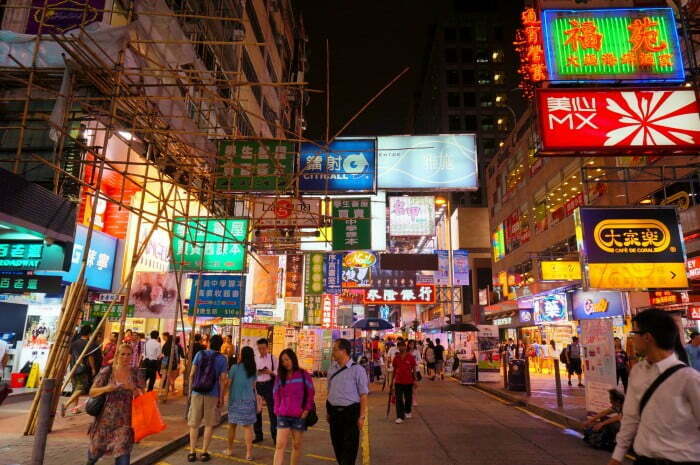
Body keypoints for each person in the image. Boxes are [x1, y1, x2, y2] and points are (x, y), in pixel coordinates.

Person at [607, 308, 700, 465]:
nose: (632, 339)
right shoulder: (637, 371)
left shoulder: (688, 378)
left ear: (647, 337)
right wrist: (617, 456)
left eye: (634, 333)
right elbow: (630, 417)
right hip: (643, 460)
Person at [86, 343, 144, 465]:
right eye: (122, 354)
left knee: (123, 456)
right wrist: (107, 388)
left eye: (129, 354)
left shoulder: (135, 373)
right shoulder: (108, 371)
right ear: (117, 355)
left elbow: (141, 394)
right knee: (94, 455)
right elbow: (92, 392)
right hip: (105, 420)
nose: (126, 357)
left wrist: (132, 388)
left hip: (125, 421)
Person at [326, 338, 369, 465]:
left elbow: (363, 395)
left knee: (349, 449)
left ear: (344, 351)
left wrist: (361, 417)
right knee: (337, 445)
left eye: (335, 349)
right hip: (334, 413)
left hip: (350, 413)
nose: (332, 352)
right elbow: (330, 391)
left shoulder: (358, 370)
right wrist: (328, 411)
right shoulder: (331, 369)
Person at [187, 334, 228, 463]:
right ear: (220, 345)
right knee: (209, 424)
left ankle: (192, 452)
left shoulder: (200, 354)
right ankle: (204, 452)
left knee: (194, 424)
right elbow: (222, 380)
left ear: (209, 343)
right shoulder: (222, 359)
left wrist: (190, 391)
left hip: (197, 392)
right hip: (213, 394)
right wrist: (221, 397)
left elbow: (192, 374)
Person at [273, 349, 315, 465]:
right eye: (283, 361)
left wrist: (306, 410)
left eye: (287, 359)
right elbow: (276, 393)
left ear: (293, 359)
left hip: (299, 416)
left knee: (296, 445)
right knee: (280, 445)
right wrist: (277, 409)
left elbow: (310, 393)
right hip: (283, 416)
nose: (285, 363)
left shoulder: (303, 374)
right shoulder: (280, 376)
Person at [226, 346, 257, 461]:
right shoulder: (253, 370)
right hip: (248, 400)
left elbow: (228, 383)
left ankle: (229, 450)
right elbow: (253, 386)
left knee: (232, 426)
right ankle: (249, 453)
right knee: (248, 427)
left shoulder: (234, 368)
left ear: (242, 356)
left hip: (235, 400)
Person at [62, 325, 98, 416]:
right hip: (83, 369)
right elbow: (90, 357)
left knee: (76, 388)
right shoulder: (89, 344)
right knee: (81, 388)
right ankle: (66, 405)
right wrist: (93, 368)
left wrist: (66, 368)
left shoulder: (74, 343)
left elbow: (69, 356)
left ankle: (75, 408)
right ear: (89, 333)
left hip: (73, 368)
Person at [254, 338, 278, 444]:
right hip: (258, 385)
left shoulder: (273, 358)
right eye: (259, 348)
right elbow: (252, 373)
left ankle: (275, 436)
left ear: (267, 347)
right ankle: (258, 435)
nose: (261, 350)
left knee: (272, 411)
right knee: (257, 411)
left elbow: (278, 372)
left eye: (263, 348)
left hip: (269, 385)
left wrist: (270, 372)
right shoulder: (255, 359)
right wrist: (257, 373)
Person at [392, 341, 416, 424]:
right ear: (398, 348)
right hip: (398, 381)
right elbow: (394, 369)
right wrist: (392, 381)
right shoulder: (396, 357)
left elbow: (414, 368)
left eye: (403, 346)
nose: (401, 348)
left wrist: (415, 380)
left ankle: (408, 411)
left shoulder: (410, 357)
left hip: (409, 381)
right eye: (400, 346)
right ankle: (400, 416)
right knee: (399, 399)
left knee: (408, 398)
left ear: (405, 347)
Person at [407, 340, 422, 406]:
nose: (411, 345)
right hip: (407, 371)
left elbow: (420, 360)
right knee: (409, 386)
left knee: (415, 386)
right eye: (410, 344)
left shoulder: (417, 351)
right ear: (408, 345)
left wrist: (414, 363)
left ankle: (414, 400)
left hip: (416, 371)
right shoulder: (406, 352)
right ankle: (411, 399)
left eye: (413, 344)